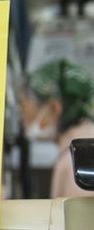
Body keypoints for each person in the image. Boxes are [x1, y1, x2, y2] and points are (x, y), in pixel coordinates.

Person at [21, 59, 94, 198]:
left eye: (24, 107)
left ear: (55, 108)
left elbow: (79, 218)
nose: (21, 118)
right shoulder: (77, 152)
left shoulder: (76, 161)